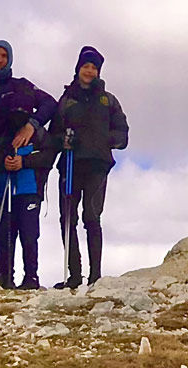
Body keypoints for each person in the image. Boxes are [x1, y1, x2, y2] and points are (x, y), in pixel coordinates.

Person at [0, 39, 56, 286]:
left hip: (23, 170)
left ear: (9, 58)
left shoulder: (22, 86)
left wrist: (31, 126)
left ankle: (30, 276)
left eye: (3, 56)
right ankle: (4, 275)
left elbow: (50, 103)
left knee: (28, 230)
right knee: (3, 225)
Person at [51, 45, 128, 288]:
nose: (89, 71)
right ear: (78, 68)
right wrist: (62, 141)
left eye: (94, 67)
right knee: (68, 218)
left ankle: (95, 277)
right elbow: (53, 133)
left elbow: (123, 132)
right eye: (86, 66)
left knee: (91, 216)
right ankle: (74, 276)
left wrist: (108, 140)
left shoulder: (108, 100)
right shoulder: (66, 100)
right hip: (71, 163)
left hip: (97, 164)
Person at [0, 102, 58, 289]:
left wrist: (24, 161)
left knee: (29, 234)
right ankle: (4, 276)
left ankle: (31, 277)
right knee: (5, 233)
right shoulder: (2, 131)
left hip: (30, 189)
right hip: (6, 189)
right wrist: (4, 161)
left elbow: (48, 156)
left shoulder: (39, 133)